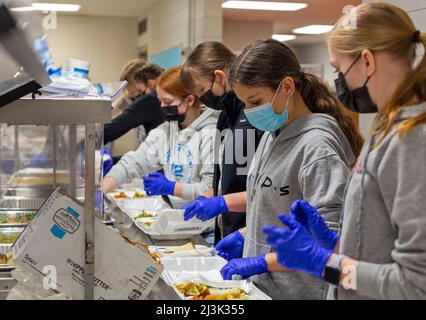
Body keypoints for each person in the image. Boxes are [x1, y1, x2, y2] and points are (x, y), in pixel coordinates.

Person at [263, 2, 426, 300]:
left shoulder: (412, 139)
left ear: (367, 61)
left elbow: (415, 284)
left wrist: (324, 263)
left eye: (339, 69)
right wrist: (335, 244)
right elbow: (380, 245)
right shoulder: (388, 128)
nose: (338, 82)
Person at [199, 38, 363, 300]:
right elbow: (275, 204)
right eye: (244, 104)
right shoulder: (272, 133)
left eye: (255, 101)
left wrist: (263, 261)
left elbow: (327, 244)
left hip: (299, 291)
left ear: (287, 87)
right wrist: (246, 235)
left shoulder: (318, 148)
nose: (249, 112)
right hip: (265, 289)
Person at [180, 41, 264, 242]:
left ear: (219, 76)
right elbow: (226, 178)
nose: (203, 99)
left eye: (202, 90)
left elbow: (267, 189)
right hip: (227, 228)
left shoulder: (257, 115)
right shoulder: (225, 117)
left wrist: (222, 203)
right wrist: (208, 197)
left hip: (253, 230)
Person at [102, 66, 220, 208]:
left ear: (189, 100)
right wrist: (102, 189)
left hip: (203, 223)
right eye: (160, 101)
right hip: (176, 218)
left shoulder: (211, 134)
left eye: (168, 102)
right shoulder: (165, 131)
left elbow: (210, 188)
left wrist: (172, 188)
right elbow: (134, 162)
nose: (162, 107)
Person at [103, 64, 165, 146]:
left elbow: (111, 130)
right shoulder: (137, 97)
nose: (138, 98)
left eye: (140, 92)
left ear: (150, 83)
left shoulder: (150, 99)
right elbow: (110, 111)